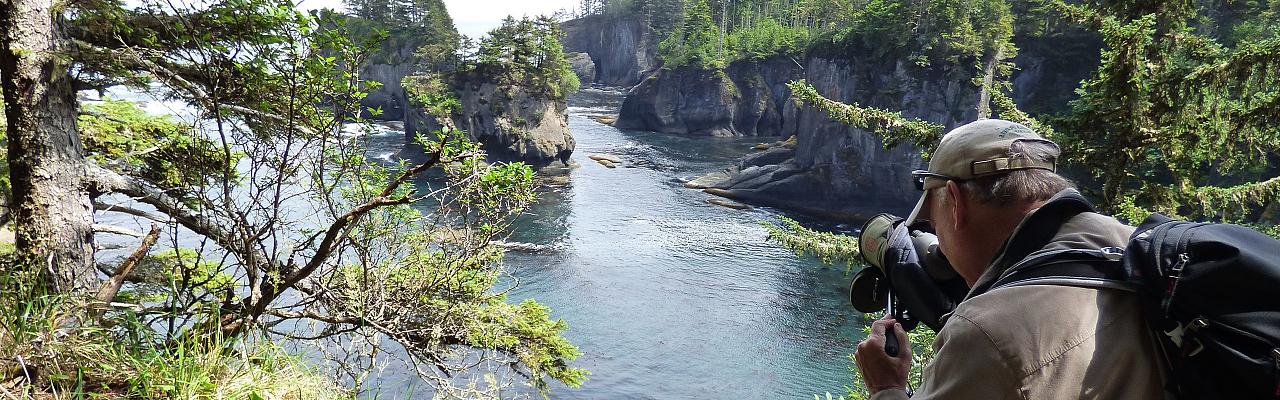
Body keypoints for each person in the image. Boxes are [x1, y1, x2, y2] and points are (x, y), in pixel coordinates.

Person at [853, 119, 1165, 399]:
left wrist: (887, 387)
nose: (941, 249)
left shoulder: (987, 335)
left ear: (956, 203)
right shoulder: (1137, 245)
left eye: (935, 226)